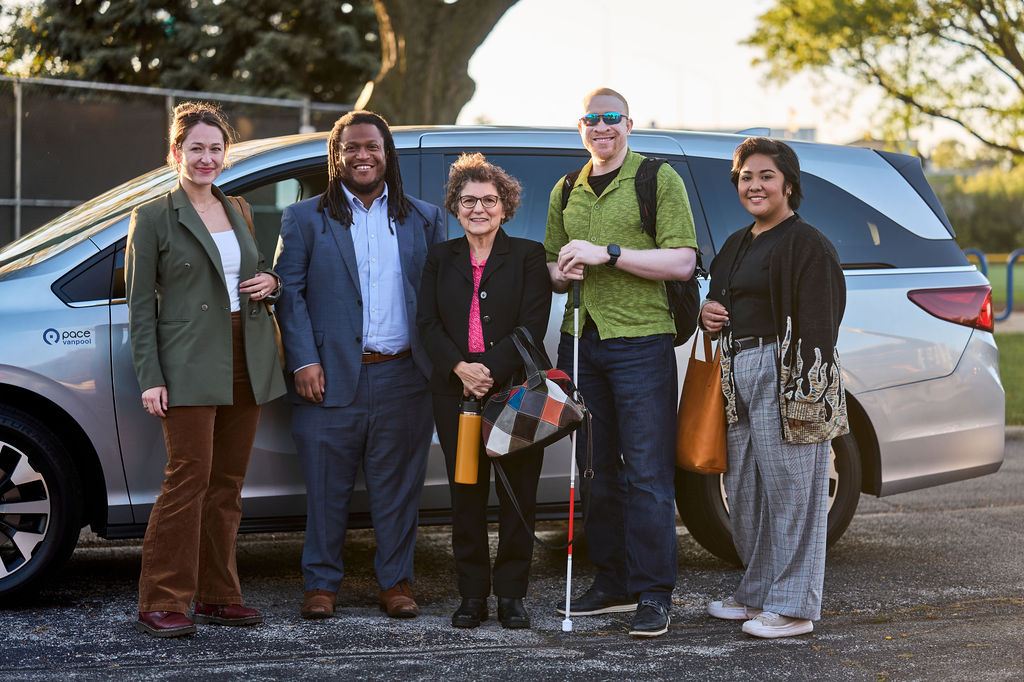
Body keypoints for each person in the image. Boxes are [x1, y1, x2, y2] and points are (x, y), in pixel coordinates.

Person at [274, 110, 445, 621]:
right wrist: (303, 359)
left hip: (405, 376)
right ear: (337, 155)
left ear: (386, 153)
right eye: (351, 147)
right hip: (326, 378)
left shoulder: (425, 217)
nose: (362, 155)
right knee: (326, 490)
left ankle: (396, 583)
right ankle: (321, 585)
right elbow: (290, 293)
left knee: (397, 493)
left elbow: (438, 298)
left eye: (372, 146)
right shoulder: (303, 218)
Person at [125, 102, 286, 638]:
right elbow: (140, 306)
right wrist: (151, 375)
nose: (207, 158)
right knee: (187, 479)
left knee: (228, 484)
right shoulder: (152, 217)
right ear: (176, 152)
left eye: (215, 149)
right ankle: (163, 598)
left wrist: (271, 283)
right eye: (196, 148)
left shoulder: (237, 207)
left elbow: (250, 271)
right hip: (188, 360)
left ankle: (219, 595)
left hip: (247, 353)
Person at [544, 88, 697, 638]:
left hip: (641, 343)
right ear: (580, 126)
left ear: (629, 124)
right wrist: (564, 269)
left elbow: (682, 262)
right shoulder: (567, 188)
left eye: (612, 118)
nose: (602, 127)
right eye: (593, 119)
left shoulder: (657, 179)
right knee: (593, 470)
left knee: (650, 475)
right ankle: (611, 584)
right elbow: (553, 268)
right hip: (581, 341)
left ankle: (654, 593)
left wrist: (607, 254)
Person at [700, 137, 847, 639]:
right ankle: (758, 592)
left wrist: (804, 398)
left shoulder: (807, 244)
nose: (754, 184)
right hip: (735, 368)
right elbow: (720, 296)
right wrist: (708, 313)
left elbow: (822, 325)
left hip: (788, 374)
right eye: (745, 176)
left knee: (793, 492)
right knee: (744, 491)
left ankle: (794, 607)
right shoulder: (740, 242)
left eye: (765, 175)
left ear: (788, 182)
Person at [418, 153, 552, 630]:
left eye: (489, 200)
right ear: (456, 206)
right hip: (454, 395)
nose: (480, 208)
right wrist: (460, 368)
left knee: (518, 495)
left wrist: (487, 372)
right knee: (467, 493)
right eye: (469, 200)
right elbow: (427, 323)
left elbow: (532, 326)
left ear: (505, 206)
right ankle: (472, 595)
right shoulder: (440, 257)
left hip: (514, 393)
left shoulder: (529, 256)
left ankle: (512, 595)